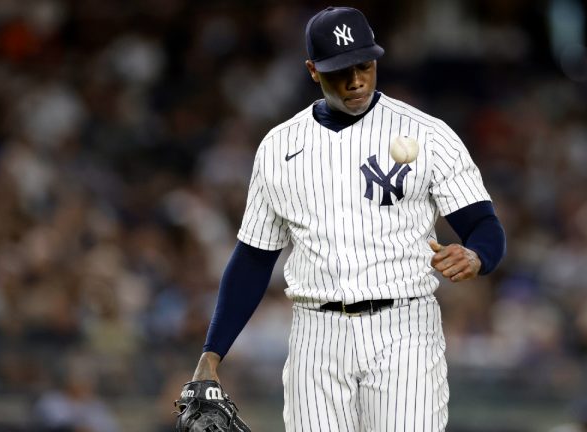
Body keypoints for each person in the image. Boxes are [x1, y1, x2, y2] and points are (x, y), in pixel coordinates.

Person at [188, 6, 506, 431]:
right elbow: (252, 259)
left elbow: (485, 226)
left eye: (365, 65)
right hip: (315, 335)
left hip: (403, 329)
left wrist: (476, 256)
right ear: (313, 71)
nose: (356, 80)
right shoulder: (279, 147)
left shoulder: (428, 134)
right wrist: (211, 354)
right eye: (341, 69)